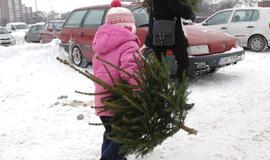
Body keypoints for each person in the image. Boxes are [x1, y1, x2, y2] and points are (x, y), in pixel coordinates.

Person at [92, 0, 140, 159]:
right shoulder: (129, 45)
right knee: (124, 137)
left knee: (110, 134)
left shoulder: (99, 46)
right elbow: (132, 71)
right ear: (129, 26)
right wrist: (139, 93)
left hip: (102, 101)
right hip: (119, 102)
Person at [144, 0, 195, 109]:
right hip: (174, 35)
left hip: (157, 34)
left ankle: (157, 99)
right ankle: (178, 99)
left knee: (158, 68)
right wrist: (190, 13)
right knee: (183, 64)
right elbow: (176, 6)